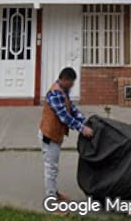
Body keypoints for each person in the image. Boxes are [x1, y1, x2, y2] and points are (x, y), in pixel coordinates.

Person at [39, 67, 93, 201]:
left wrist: (85, 121)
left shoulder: (63, 90)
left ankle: (54, 193)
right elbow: (64, 116)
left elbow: (72, 109)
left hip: (56, 135)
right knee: (51, 169)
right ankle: (51, 200)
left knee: (54, 168)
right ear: (64, 79)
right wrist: (82, 128)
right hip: (49, 136)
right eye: (71, 82)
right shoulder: (55, 94)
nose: (73, 85)